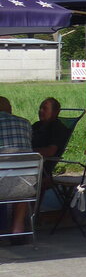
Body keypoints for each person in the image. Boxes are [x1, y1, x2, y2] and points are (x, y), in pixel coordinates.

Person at [0, 96, 35, 241]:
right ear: (10, 109)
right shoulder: (25, 123)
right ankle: (17, 229)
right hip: (24, 185)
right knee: (23, 184)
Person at [31, 97, 71, 178]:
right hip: (27, 159)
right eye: (40, 108)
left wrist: (28, 151)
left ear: (55, 112)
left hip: (39, 164)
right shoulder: (37, 125)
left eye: (45, 109)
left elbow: (50, 151)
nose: (41, 111)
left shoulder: (58, 128)